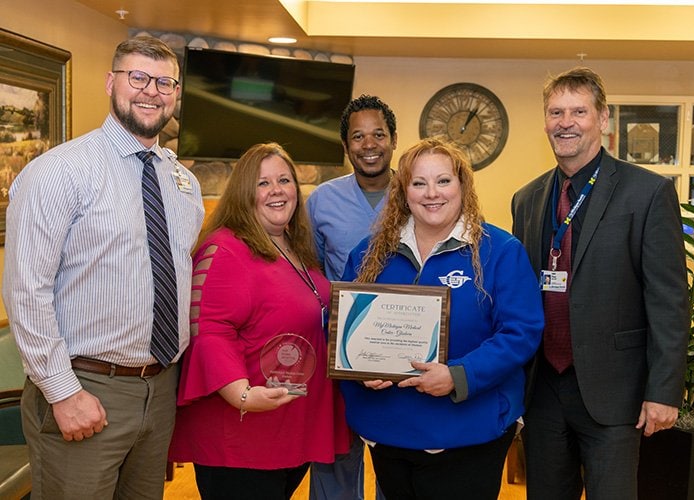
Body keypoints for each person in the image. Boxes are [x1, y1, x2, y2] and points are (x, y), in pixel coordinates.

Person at [1, 35, 204, 498]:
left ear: (175, 94)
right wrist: (62, 392)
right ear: (111, 82)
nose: (151, 91)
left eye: (164, 82)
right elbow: (26, 291)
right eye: (138, 78)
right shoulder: (59, 172)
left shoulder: (184, 184)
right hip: (85, 386)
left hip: (158, 389)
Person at [511, 66, 689, 500]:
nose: (565, 123)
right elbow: (518, 297)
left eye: (578, 111)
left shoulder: (647, 193)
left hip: (616, 394)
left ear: (603, 119)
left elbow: (668, 300)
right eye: (556, 112)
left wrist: (664, 392)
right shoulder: (527, 198)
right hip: (544, 392)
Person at [340, 138, 544, 500]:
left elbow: (521, 332)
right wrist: (359, 366)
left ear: (462, 185)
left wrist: (458, 375)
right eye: (419, 183)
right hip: (389, 432)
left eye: (443, 181)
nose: (431, 193)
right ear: (404, 192)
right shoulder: (369, 253)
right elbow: (343, 323)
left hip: (469, 432)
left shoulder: (500, 251)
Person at [168, 142, 350, 500]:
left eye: (284, 179)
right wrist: (242, 395)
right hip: (241, 435)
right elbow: (210, 331)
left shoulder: (295, 248)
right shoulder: (225, 247)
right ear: (243, 192)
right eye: (263, 183)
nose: (277, 190)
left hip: (287, 427)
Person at [305, 94, 397, 500]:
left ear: (394, 139)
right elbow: (312, 272)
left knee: (396, 457)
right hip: (340, 349)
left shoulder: (419, 193)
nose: (369, 144)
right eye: (358, 136)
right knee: (337, 456)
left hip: (401, 347)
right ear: (346, 146)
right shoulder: (322, 201)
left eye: (378, 134)